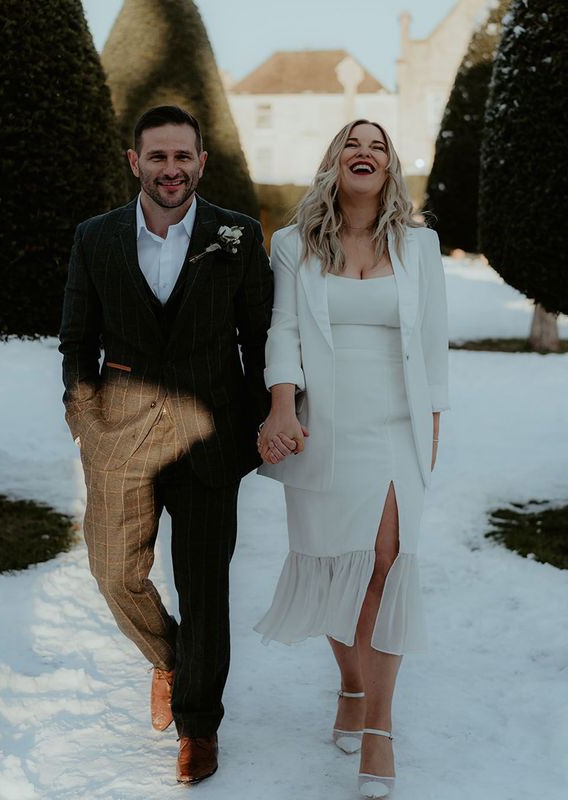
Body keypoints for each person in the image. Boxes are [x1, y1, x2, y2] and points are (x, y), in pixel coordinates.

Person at [59, 105, 273, 785]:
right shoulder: (95, 238)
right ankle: (173, 660)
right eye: (158, 157)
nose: (171, 169)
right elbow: (77, 341)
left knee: (204, 588)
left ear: (201, 163)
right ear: (135, 162)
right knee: (113, 572)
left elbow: (262, 336)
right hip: (120, 435)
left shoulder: (236, 234)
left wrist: (271, 415)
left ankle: (199, 727)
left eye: (183, 157)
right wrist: (83, 416)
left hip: (211, 435)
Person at [254, 119, 449, 799]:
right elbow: (281, 329)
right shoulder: (291, 244)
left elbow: (432, 347)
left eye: (376, 145)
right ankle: (350, 683)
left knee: (385, 567)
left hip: (395, 427)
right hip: (322, 425)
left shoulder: (420, 247)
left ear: (390, 166)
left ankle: (380, 730)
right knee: (338, 568)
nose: (363, 152)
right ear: (333, 161)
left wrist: (431, 427)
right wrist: (282, 407)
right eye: (350, 143)